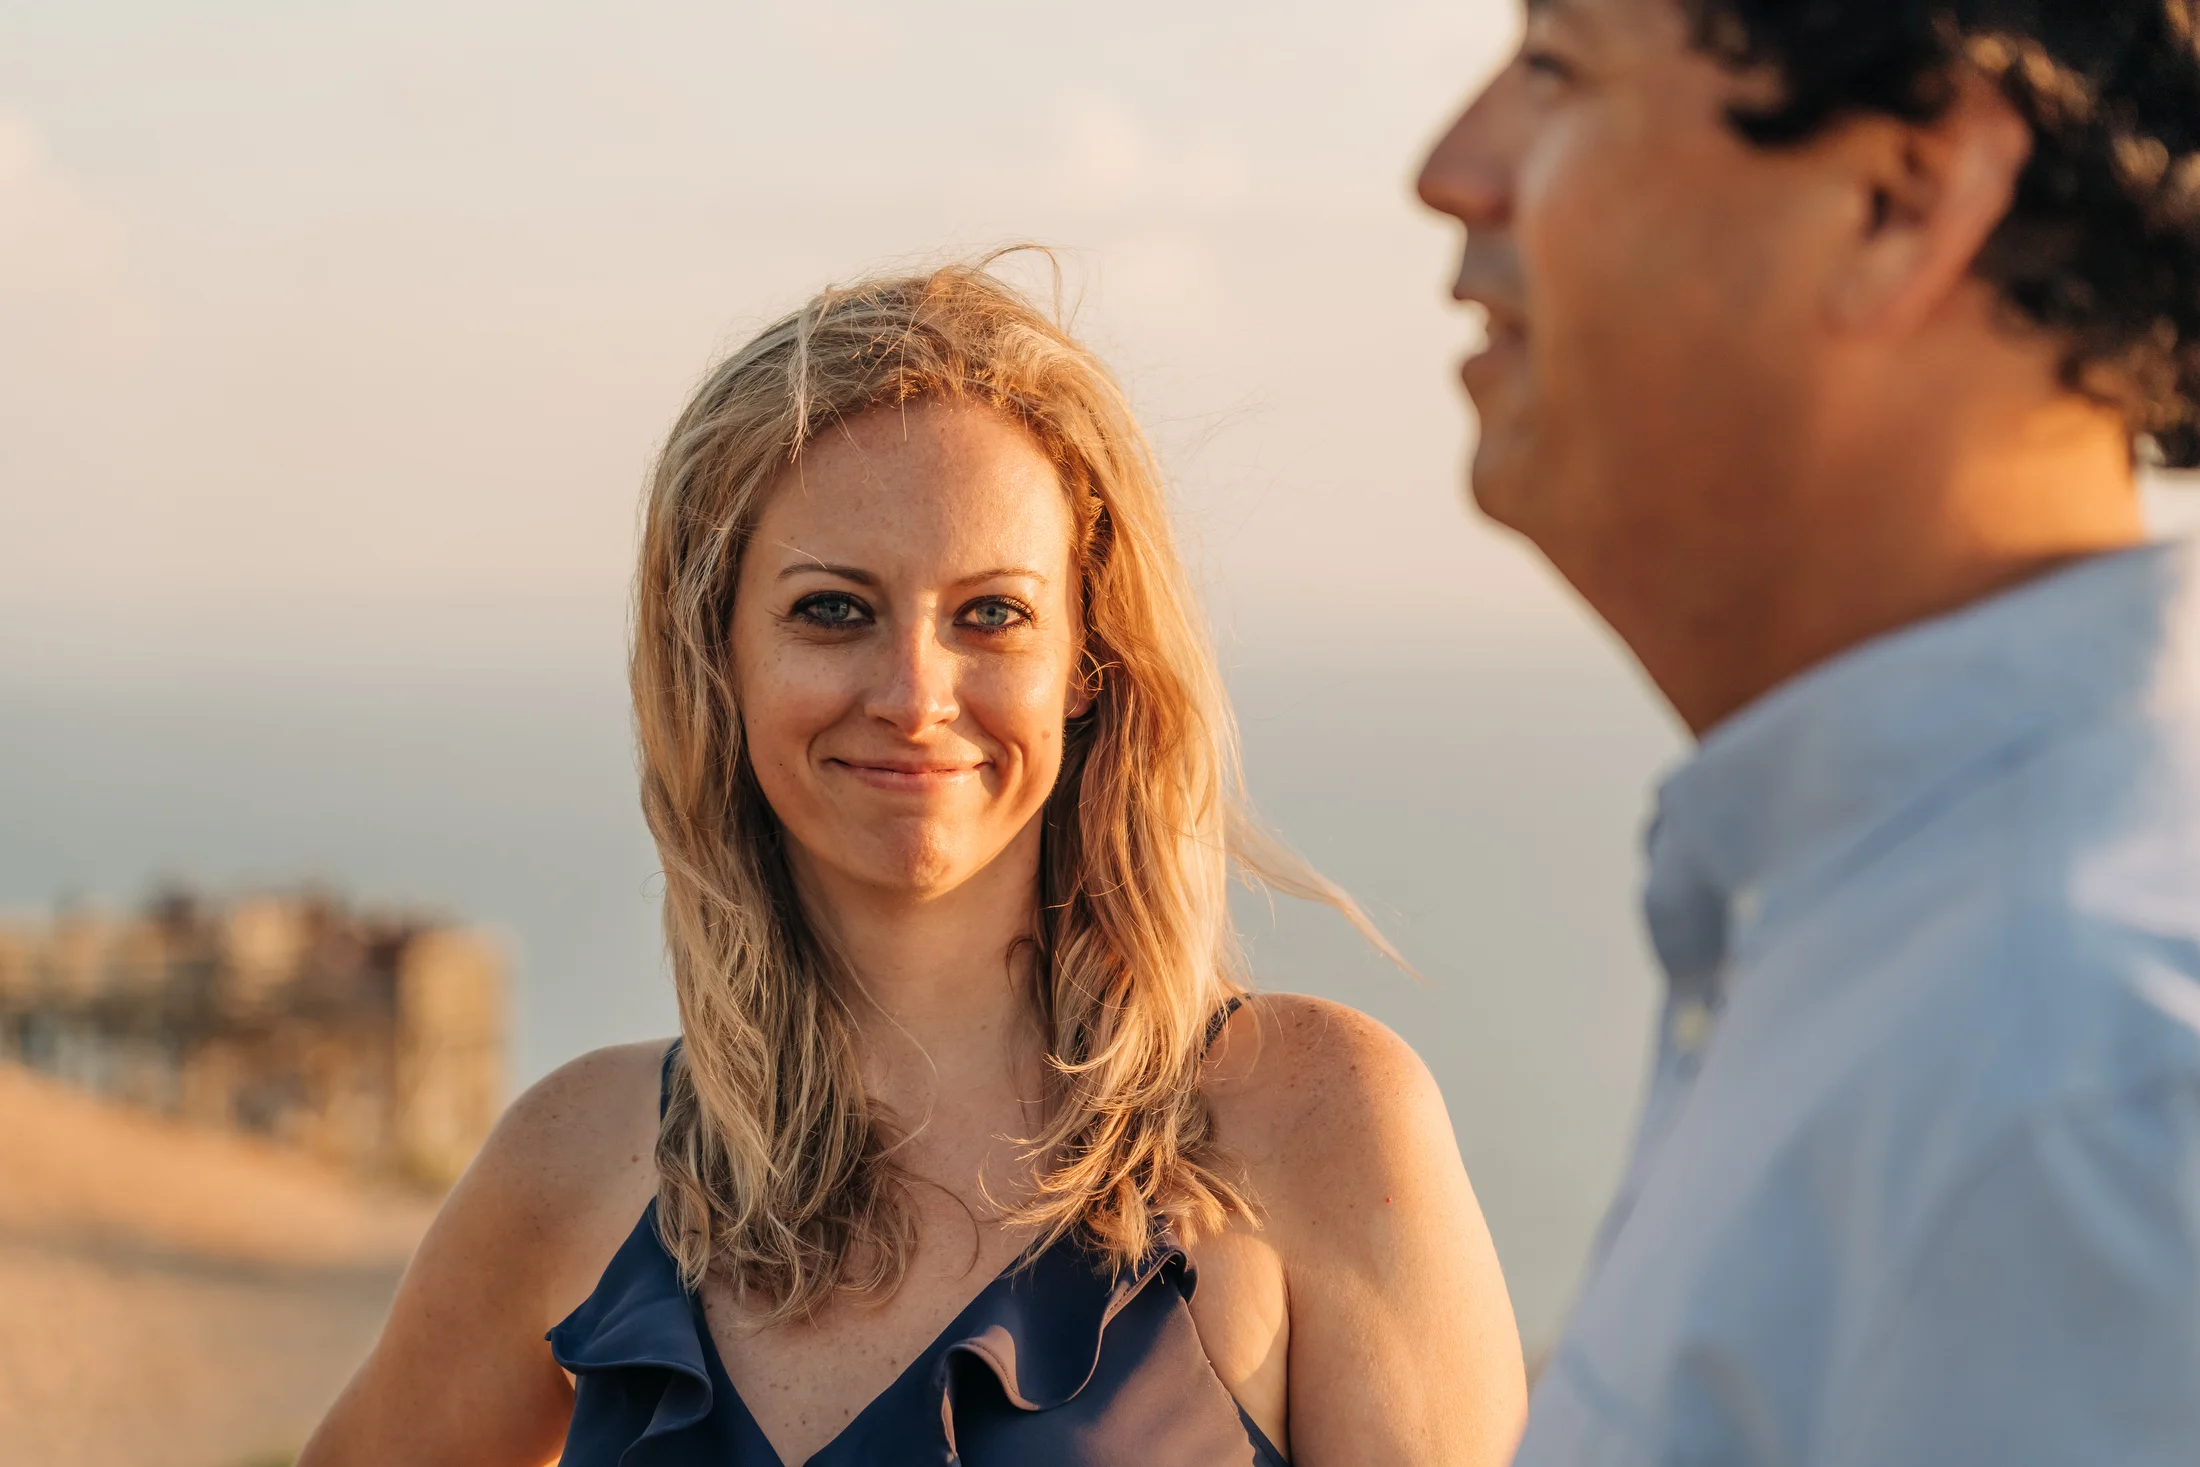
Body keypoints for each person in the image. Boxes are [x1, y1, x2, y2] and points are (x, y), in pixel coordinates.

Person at [297, 264, 1527, 1467]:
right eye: (833, 610)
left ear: (1084, 662)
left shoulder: (1319, 1125)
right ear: (715, 656)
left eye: (991, 614)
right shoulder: (574, 1163)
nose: (913, 696)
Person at [1418, 1, 2200, 1462]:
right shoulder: (1901, 962)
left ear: (1907, 197)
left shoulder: (2092, 1102)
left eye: (1556, 68)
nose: (1451, 168)